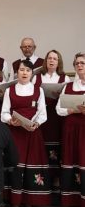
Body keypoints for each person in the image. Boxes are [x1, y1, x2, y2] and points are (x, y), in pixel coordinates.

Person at [1, 59, 51, 207]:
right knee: (16, 165)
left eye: (27, 71)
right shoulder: (10, 90)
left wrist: (36, 123)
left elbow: (43, 113)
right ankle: (15, 202)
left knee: (31, 166)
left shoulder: (38, 90)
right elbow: (4, 113)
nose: (24, 73)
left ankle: (30, 203)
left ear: (31, 73)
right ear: (17, 72)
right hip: (15, 133)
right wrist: (11, 120)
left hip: (32, 133)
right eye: (21, 70)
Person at [32, 50, 70, 192]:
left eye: (55, 58)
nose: (52, 60)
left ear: (58, 61)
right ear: (45, 61)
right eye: (49, 58)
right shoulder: (37, 77)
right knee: (42, 144)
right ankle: (43, 178)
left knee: (57, 145)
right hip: (42, 115)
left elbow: (67, 99)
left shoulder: (64, 77)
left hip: (57, 117)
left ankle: (56, 179)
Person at [56, 52, 85, 207]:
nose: (79, 65)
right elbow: (59, 109)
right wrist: (73, 109)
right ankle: (75, 204)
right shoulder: (67, 86)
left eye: (82, 63)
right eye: (77, 63)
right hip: (71, 130)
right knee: (73, 163)